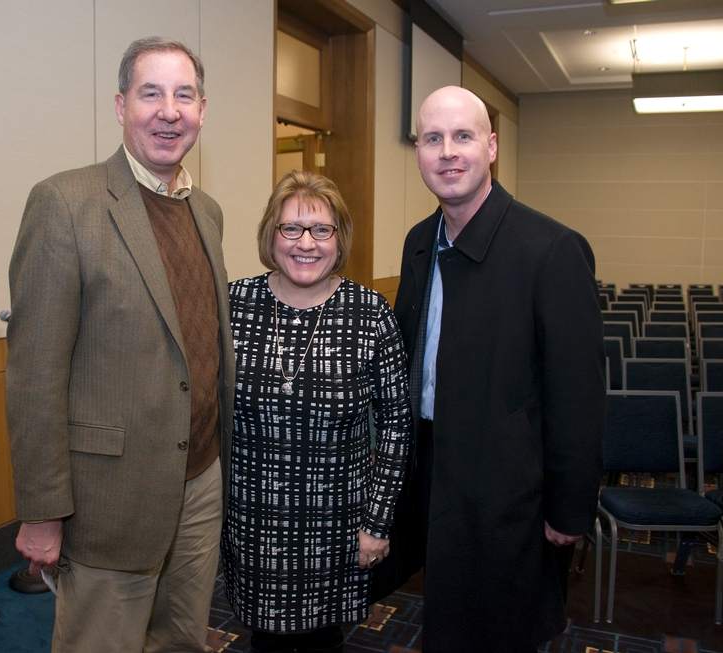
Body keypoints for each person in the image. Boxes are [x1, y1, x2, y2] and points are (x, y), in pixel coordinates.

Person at [5, 37, 234, 652]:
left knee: (182, 640)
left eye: (183, 95)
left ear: (203, 110)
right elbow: (34, 375)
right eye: (150, 93)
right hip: (108, 497)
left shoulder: (206, 212)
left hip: (199, 481)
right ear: (120, 105)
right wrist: (42, 510)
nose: (169, 111)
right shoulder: (65, 204)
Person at [375, 86, 605, 652]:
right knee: (444, 617)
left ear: (492, 146)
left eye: (463, 136)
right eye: (433, 139)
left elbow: (577, 395)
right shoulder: (418, 242)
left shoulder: (552, 250)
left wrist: (568, 507)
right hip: (432, 469)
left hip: (509, 487)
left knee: (499, 628)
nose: (447, 152)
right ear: (419, 153)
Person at [222, 170, 412, 653]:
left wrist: (378, 521)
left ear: (338, 238)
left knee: (323, 639)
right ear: (272, 235)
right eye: (291, 229)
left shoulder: (370, 314)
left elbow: (395, 426)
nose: (305, 243)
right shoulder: (234, 304)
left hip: (338, 523)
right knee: (263, 638)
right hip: (253, 517)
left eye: (321, 230)